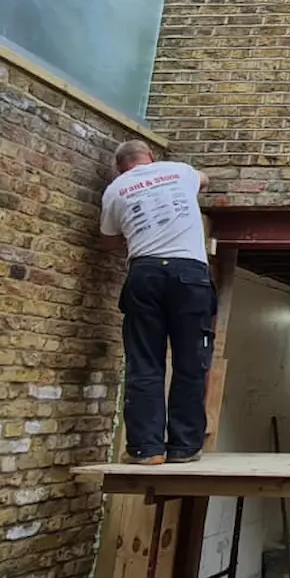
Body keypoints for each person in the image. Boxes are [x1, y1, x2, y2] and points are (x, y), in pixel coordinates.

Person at [100, 139, 213, 465]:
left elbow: (106, 242)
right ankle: (184, 446)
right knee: (191, 362)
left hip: (145, 271)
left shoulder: (115, 190)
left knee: (145, 361)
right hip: (190, 273)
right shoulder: (179, 171)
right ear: (150, 157)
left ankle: (146, 449)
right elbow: (205, 179)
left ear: (119, 166)